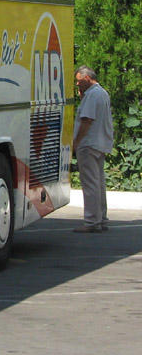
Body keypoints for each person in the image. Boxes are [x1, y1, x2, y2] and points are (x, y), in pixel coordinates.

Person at [72, 66, 114, 234]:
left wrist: (76, 143)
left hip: (88, 144)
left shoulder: (91, 95)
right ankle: (101, 218)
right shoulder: (102, 93)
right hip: (100, 142)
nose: (77, 84)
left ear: (87, 78)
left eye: (79, 81)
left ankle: (91, 221)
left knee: (90, 184)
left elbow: (87, 120)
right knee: (98, 183)